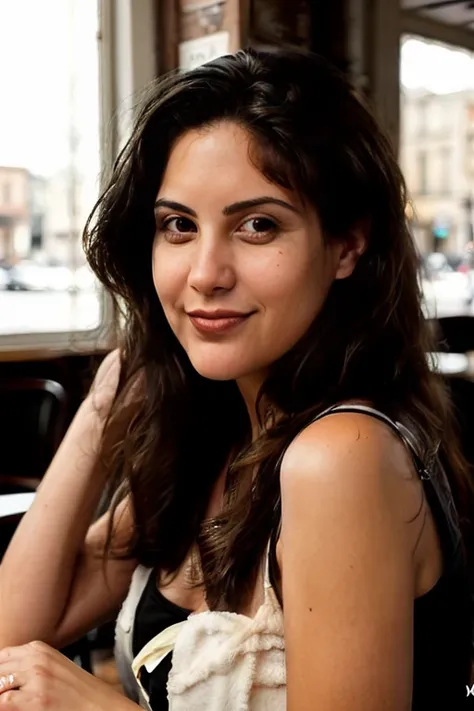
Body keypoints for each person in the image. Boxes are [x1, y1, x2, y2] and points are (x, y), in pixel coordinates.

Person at [0, 47, 472, 711]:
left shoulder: (340, 457)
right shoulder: (218, 446)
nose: (205, 273)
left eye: (257, 225)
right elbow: (12, 634)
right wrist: (109, 395)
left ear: (347, 246)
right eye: (178, 226)